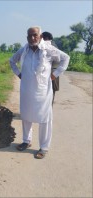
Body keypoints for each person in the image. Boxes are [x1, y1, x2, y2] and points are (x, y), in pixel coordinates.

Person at [9, 26, 69, 159]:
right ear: (26, 37)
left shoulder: (48, 49)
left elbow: (66, 58)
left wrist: (55, 74)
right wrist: (19, 74)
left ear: (40, 36)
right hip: (26, 90)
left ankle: (44, 147)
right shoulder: (24, 50)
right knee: (26, 116)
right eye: (30, 35)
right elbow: (12, 61)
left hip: (43, 92)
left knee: (44, 119)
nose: (32, 38)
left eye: (35, 35)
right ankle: (26, 141)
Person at [42, 31, 60, 104]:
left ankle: (47, 112)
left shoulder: (50, 46)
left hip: (51, 73)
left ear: (46, 38)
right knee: (50, 93)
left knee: (49, 93)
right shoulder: (54, 45)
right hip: (53, 73)